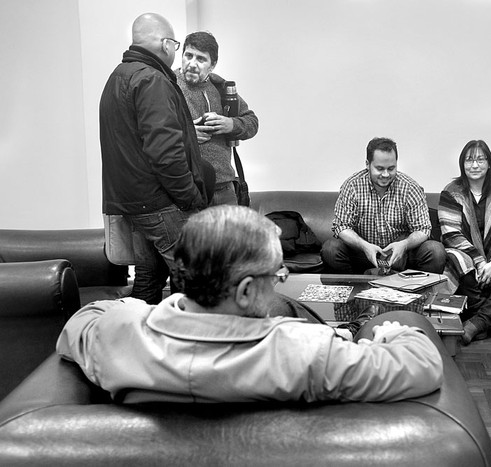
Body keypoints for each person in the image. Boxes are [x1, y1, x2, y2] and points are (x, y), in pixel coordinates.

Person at [56, 205, 444, 403]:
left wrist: (138, 311)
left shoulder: (117, 334)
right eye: (277, 274)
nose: (282, 280)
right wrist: (396, 330)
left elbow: (82, 320)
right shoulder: (303, 351)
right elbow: (422, 366)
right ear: (243, 292)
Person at [100, 13, 213, 305]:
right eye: (176, 45)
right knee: (195, 280)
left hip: (135, 203)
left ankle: (139, 341)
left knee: (149, 277)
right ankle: (184, 342)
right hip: (161, 203)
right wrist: (190, 198)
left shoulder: (118, 76)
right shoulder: (152, 80)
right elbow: (165, 153)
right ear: (166, 44)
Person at [438, 140, 491, 345]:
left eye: (480, 159)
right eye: (469, 160)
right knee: (459, 260)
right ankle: (483, 315)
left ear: (489, 163)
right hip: (465, 252)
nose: (474, 165)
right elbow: (451, 234)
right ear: (462, 164)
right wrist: (478, 260)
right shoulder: (451, 191)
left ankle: (477, 323)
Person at [322, 137, 446, 274]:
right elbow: (341, 226)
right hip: (363, 252)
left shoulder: (410, 187)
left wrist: (404, 245)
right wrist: (364, 246)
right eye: (379, 168)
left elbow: (423, 229)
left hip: (401, 254)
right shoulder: (352, 186)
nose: (386, 174)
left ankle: (420, 293)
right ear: (367, 164)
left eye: (391, 168)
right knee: (330, 249)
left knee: (435, 250)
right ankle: (352, 290)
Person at [176, 31, 259, 206]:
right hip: (186, 189)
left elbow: (252, 122)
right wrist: (188, 135)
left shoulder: (221, 88)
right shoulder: (168, 85)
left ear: (212, 65)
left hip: (224, 188)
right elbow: (152, 132)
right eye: (188, 55)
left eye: (201, 59)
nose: (192, 64)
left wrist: (231, 124)